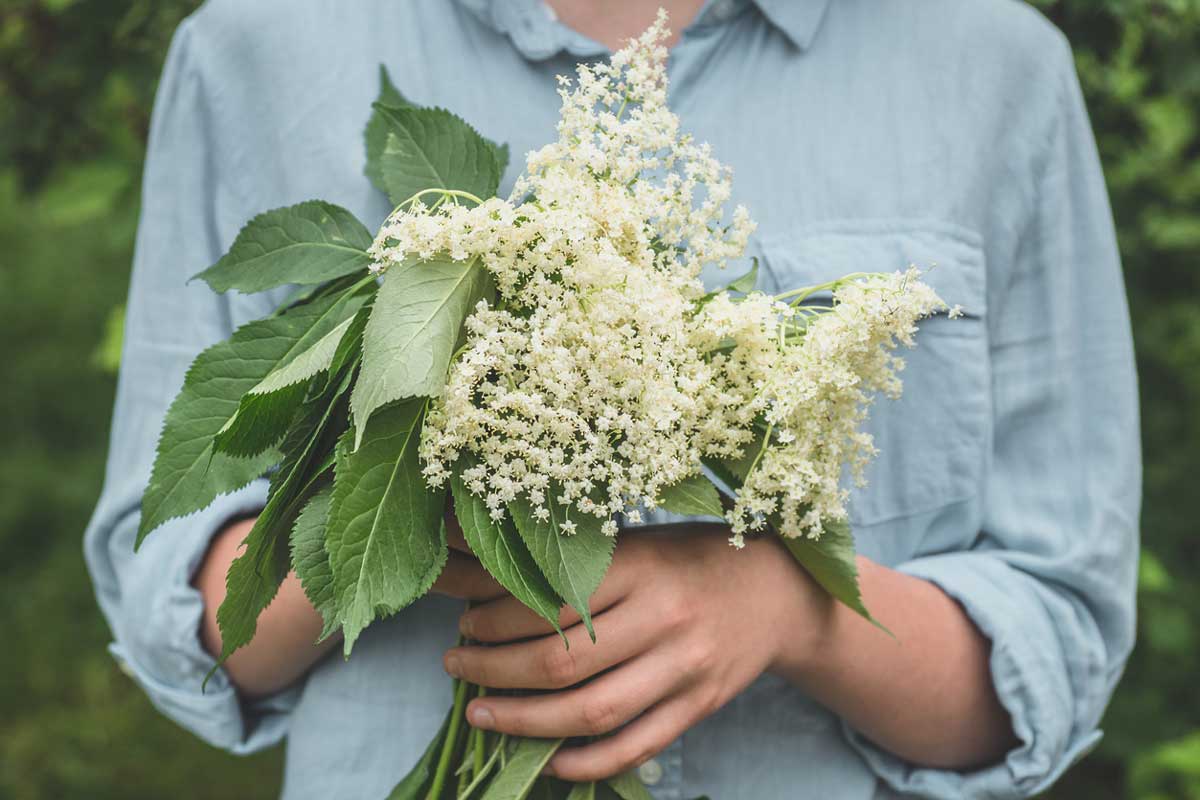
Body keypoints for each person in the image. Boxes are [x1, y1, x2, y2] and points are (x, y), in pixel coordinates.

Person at [83, 0, 1140, 797]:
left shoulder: (993, 65)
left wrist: (792, 611)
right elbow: (176, 574)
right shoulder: (260, 45)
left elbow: (1056, 631)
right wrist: (422, 457)